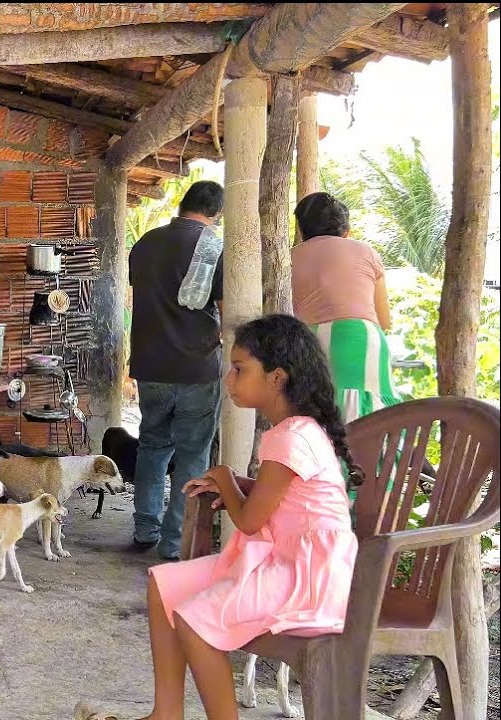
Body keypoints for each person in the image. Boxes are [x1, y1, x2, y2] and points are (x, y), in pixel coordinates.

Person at [136, 314, 361, 720]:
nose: (229, 379)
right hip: (282, 564)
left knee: (194, 621)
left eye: (240, 369)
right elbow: (283, 498)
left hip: (306, 578)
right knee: (164, 585)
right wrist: (235, 484)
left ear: (277, 378)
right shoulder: (293, 431)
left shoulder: (293, 435)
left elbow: (251, 521)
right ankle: (165, 713)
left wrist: (224, 477)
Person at [127, 180, 225, 560]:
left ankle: (143, 528)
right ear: (216, 213)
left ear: (184, 204)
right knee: (193, 454)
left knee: (152, 445)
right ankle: (173, 543)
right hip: (197, 366)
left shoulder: (145, 243)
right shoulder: (213, 247)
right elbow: (226, 309)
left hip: (151, 366)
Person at [290, 191, 399, 423]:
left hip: (310, 345)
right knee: (373, 427)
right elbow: (385, 320)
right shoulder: (366, 252)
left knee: (321, 430)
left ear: (301, 230)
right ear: (345, 231)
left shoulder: (290, 257)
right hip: (363, 341)